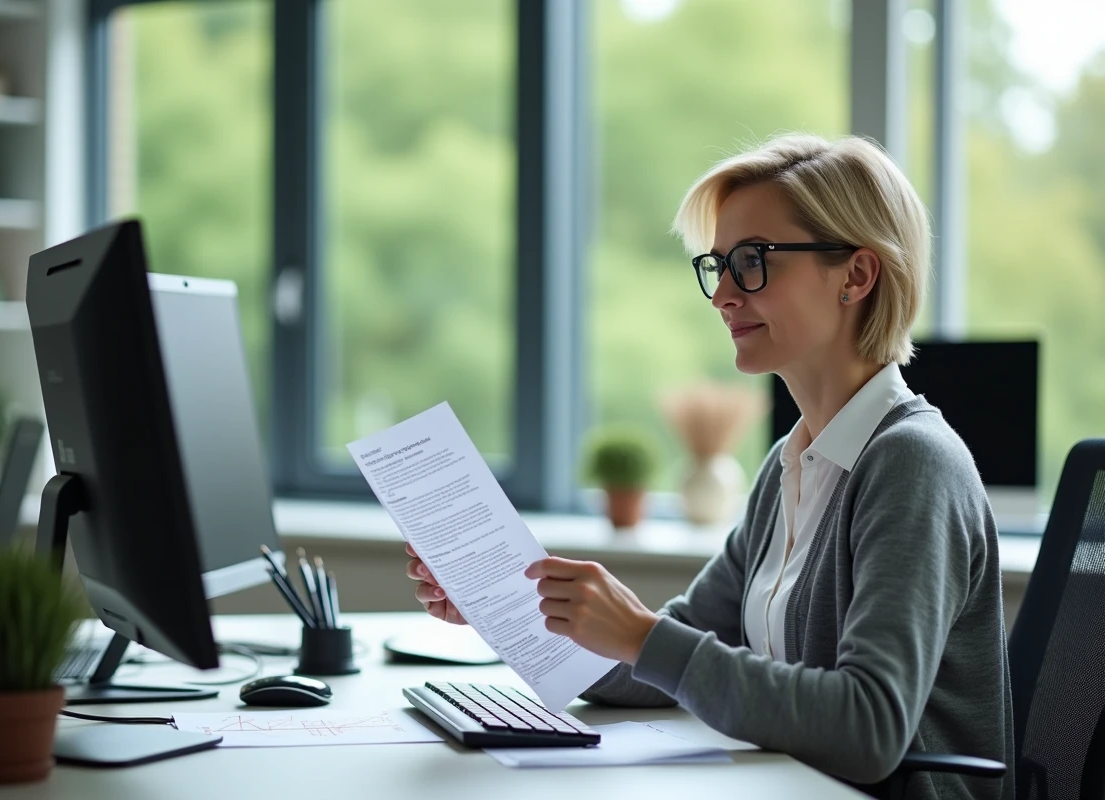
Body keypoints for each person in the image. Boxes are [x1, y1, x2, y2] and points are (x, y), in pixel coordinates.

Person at [405, 133, 1013, 800]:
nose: (723, 293)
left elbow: (869, 728)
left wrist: (642, 634)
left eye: (753, 261)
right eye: (718, 264)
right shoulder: (791, 466)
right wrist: (509, 605)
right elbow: (655, 667)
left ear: (857, 276)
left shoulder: (912, 465)